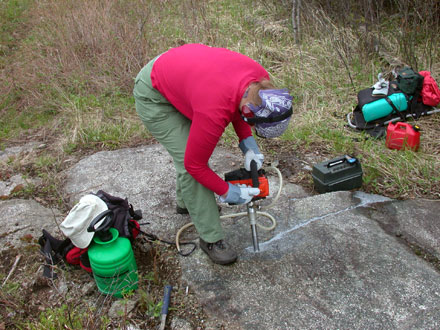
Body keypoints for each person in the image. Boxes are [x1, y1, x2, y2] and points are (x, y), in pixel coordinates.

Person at [133, 44, 293, 265]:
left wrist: (247, 141)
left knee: (192, 149)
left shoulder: (259, 81)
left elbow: (240, 99)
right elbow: (194, 165)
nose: (252, 127)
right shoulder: (214, 110)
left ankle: (187, 203)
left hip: (183, 75)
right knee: (190, 163)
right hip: (154, 93)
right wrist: (227, 191)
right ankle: (211, 238)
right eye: (254, 125)